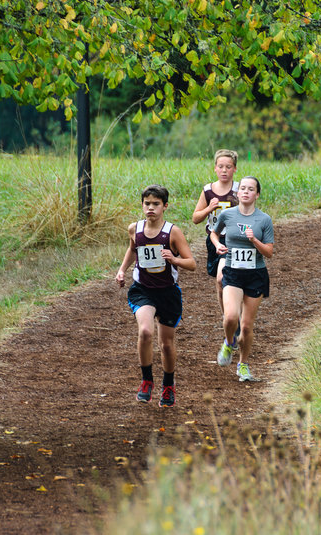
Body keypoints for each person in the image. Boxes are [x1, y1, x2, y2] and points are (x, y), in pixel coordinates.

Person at [116, 185, 196, 407]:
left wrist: (175, 259)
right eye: (147, 204)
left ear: (165, 206)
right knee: (145, 331)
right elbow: (133, 249)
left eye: (156, 204)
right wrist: (122, 269)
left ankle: (168, 385)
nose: (150, 208)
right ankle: (146, 380)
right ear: (142, 205)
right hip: (143, 290)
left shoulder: (173, 232)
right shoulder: (135, 229)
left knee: (167, 344)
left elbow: (192, 263)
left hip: (168, 293)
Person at [209, 176, 274, 382]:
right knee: (230, 318)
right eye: (243, 188)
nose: (246, 192)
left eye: (251, 189)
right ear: (238, 193)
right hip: (233, 271)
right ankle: (229, 343)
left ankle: (243, 365)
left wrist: (254, 239)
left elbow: (270, 252)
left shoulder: (264, 220)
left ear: (257, 194)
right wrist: (218, 245)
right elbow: (214, 233)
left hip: (255, 274)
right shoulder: (227, 215)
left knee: (246, 326)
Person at [191, 149, 240, 319]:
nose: (224, 170)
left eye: (228, 166)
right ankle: (228, 318)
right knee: (220, 284)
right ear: (215, 168)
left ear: (235, 169)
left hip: (234, 240)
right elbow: (195, 218)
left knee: (221, 278)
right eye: (221, 166)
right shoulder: (208, 191)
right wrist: (209, 208)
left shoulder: (239, 190)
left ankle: (232, 316)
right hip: (214, 239)